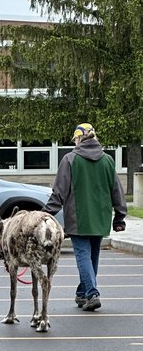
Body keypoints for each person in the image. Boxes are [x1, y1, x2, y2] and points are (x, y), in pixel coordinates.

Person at [43, 123, 126, 312]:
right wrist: (119, 216)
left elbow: (59, 192)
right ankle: (83, 293)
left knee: (83, 256)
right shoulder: (107, 160)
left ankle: (92, 293)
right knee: (92, 257)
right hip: (101, 217)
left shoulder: (70, 159)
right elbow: (117, 191)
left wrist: (45, 214)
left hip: (78, 217)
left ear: (79, 139)